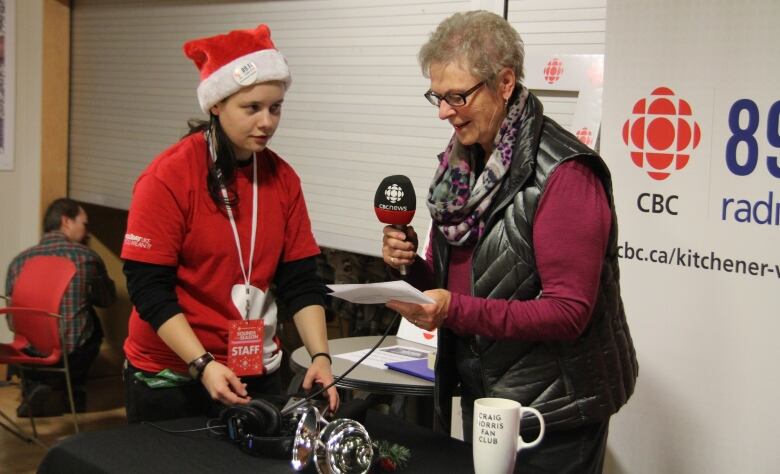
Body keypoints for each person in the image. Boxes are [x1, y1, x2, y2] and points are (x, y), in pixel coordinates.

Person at [380, 11, 638, 473]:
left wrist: (451, 309)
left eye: (456, 96)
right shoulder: (460, 166)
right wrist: (410, 271)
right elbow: (460, 283)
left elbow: (568, 312)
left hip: (555, 412)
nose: (443, 111)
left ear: (504, 82)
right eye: (436, 97)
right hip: (487, 393)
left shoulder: (566, 174)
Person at [120, 24, 338, 423]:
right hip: (172, 375)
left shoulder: (283, 180)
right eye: (252, 108)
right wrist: (202, 363)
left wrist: (320, 357)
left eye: (276, 108)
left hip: (254, 371)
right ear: (217, 105)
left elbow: (300, 281)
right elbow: (147, 287)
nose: (267, 122)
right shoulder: (169, 176)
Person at [5, 198, 116, 416]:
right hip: (72, 355)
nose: (88, 233)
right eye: (84, 224)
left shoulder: (19, 261)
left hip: (27, 352)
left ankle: (37, 382)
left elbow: (12, 321)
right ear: (66, 221)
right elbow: (107, 300)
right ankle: (72, 387)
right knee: (90, 314)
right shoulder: (85, 257)